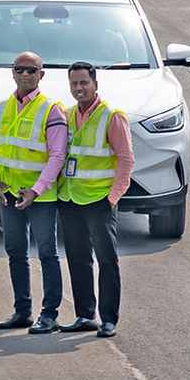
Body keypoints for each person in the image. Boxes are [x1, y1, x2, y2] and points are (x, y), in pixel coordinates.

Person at [0, 51, 68, 334]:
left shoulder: (51, 109)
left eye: (31, 70)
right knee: (15, 253)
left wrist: (36, 190)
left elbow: (58, 156)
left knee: (47, 253)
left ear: (41, 74)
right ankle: (22, 312)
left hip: (40, 197)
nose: (25, 74)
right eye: (19, 69)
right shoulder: (2, 107)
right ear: (12, 72)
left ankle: (49, 314)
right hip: (8, 195)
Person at [60, 62, 134, 338]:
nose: (79, 88)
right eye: (74, 84)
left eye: (84, 83)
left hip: (99, 200)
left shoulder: (112, 116)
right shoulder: (67, 115)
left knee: (106, 260)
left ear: (95, 84)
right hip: (69, 198)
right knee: (77, 258)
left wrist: (112, 197)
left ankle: (108, 319)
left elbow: (126, 160)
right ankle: (84, 315)